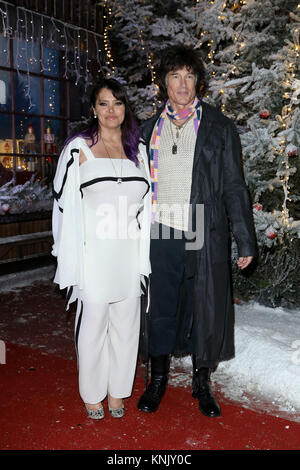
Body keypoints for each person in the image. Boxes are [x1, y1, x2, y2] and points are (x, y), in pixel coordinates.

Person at [137, 44, 256, 417]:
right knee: (160, 308)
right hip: (160, 230)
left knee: (205, 305)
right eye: (175, 76)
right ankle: (157, 380)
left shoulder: (218, 127)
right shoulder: (146, 130)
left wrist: (244, 238)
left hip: (202, 228)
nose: (182, 84)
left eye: (189, 76)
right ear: (164, 83)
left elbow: (235, 186)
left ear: (198, 82)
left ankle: (201, 383)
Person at [52, 78, 152, 419]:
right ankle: (92, 394)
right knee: (93, 325)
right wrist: (64, 255)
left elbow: (147, 206)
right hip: (92, 254)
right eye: (104, 103)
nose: (111, 111)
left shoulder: (138, 150)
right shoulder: (78, 148)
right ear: (94, 108)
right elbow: (62, 205)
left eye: (118, 103)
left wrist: (145, 256)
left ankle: (117, 391)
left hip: (128, 254)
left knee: (126, 327)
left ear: (126, 109)